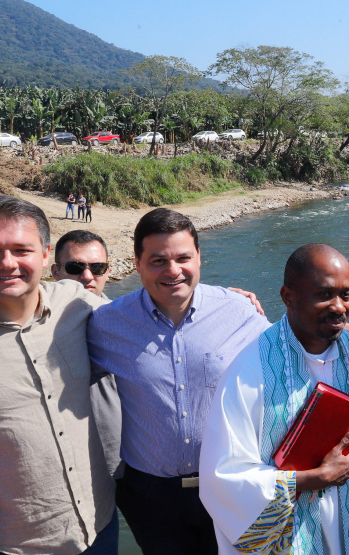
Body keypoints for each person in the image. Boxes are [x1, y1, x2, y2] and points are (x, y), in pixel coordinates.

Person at [87, 208, 270, 555]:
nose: (173, 271)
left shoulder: (240, 311)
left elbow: (286, 358)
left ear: (199, 258)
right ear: (137, 264)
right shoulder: (105, 325)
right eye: (158, 260)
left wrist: (338, 333)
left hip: (229, 484)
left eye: (183, 258)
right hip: (150, 495)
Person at [200, 243, 349, 554]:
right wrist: (310, 479)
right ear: (288, 297)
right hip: (291, 535)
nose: (340, 306)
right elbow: (222, 480)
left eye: (346, 294)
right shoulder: (250, 371)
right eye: (324, 294)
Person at [0, 194, 118, 555]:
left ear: (45, 255)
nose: (6, 262)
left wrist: (222, 302)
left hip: (99, 527)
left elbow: (146, 318)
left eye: (21, 249)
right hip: (16, 544)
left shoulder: (76, 302)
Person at [51, 229, 111, 297]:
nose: (87, 277)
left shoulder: (119, 307)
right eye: (75, 267)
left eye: (97, 267)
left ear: (107, 272)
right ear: (56, 272)